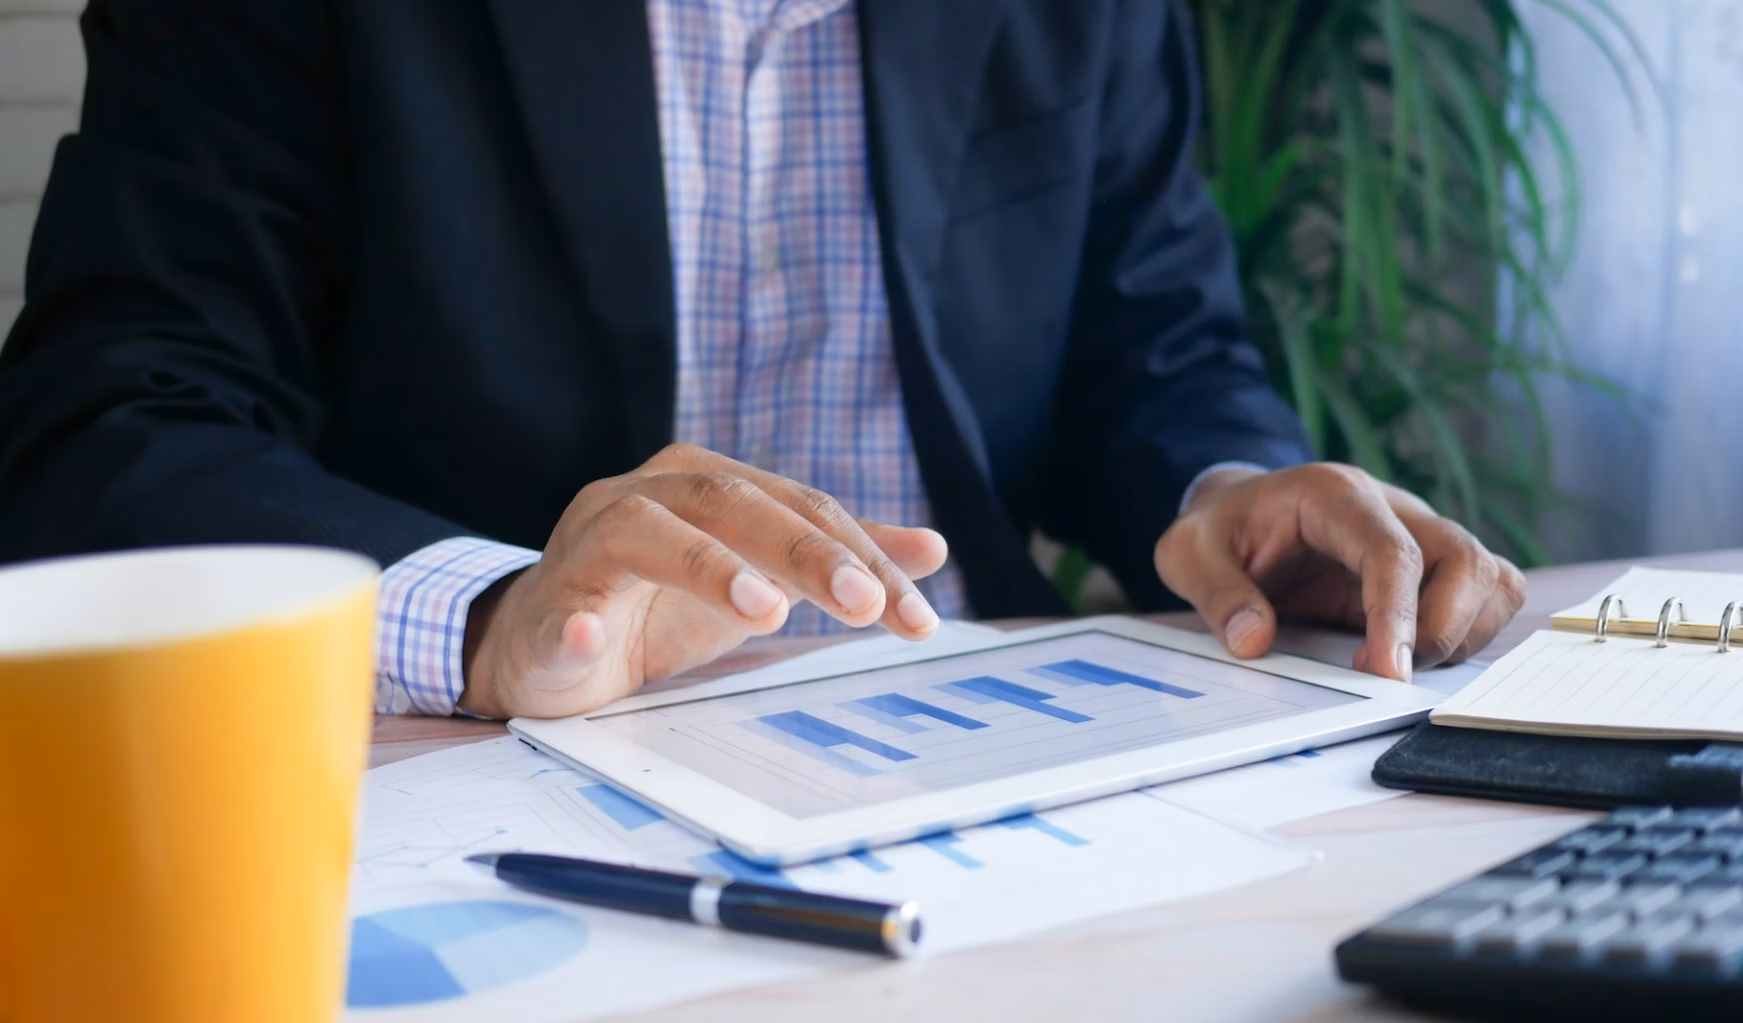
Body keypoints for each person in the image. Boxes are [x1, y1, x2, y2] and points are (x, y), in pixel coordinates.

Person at [0, 0, 1524, 719]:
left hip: (989, 748)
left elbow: (1152, 342)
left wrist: (1236, 487)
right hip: (487, 773)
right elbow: (109, 420)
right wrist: (488, 617)